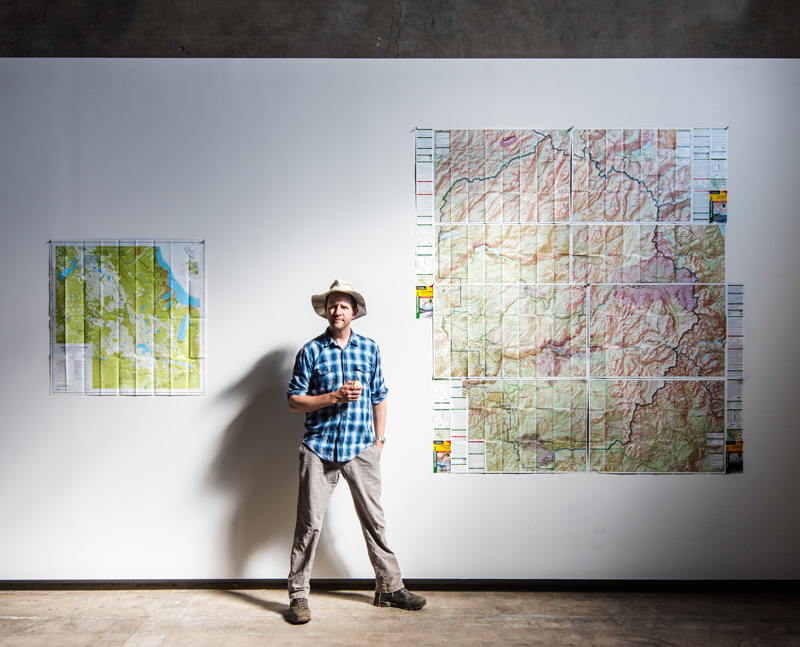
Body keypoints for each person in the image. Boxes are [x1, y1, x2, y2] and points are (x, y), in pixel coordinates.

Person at [285, 279, 426, 625]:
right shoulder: (310, 351)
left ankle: (390, 588)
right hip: (318, 448)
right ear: (326, 311)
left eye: (343, 306)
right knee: (309, 525)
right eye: (332, 305)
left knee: (374, 522)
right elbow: (293, 401)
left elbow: (380, 395)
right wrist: (333, 396)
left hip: (362, 447)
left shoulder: (370, 349)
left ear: (354, 312)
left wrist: (380, 442)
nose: (337, 311)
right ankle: (298, 595)